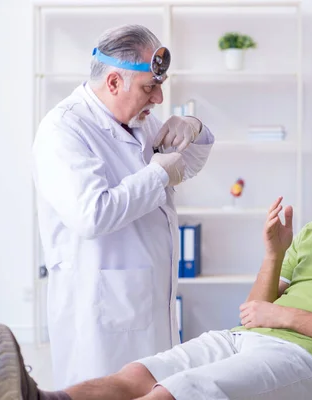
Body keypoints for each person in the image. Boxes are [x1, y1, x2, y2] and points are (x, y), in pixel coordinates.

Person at [0, 119, 312, 400]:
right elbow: (254, 313)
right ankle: (38, 398)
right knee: (135, 376)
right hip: (246, 341)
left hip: (310, 366)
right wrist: (273, 254)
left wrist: (285, 315)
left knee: (171, 395)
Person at [31, 24, 214, 388]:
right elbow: (91, 214)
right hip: (101, 311)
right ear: (114, 83)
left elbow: (184, 166)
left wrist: (193, 127)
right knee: (102, 390)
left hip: (146, 301)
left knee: (153, 388)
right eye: (150, 88)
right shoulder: (64, 129)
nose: (159, 99)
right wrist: (157, 176)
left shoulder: (137, 120)